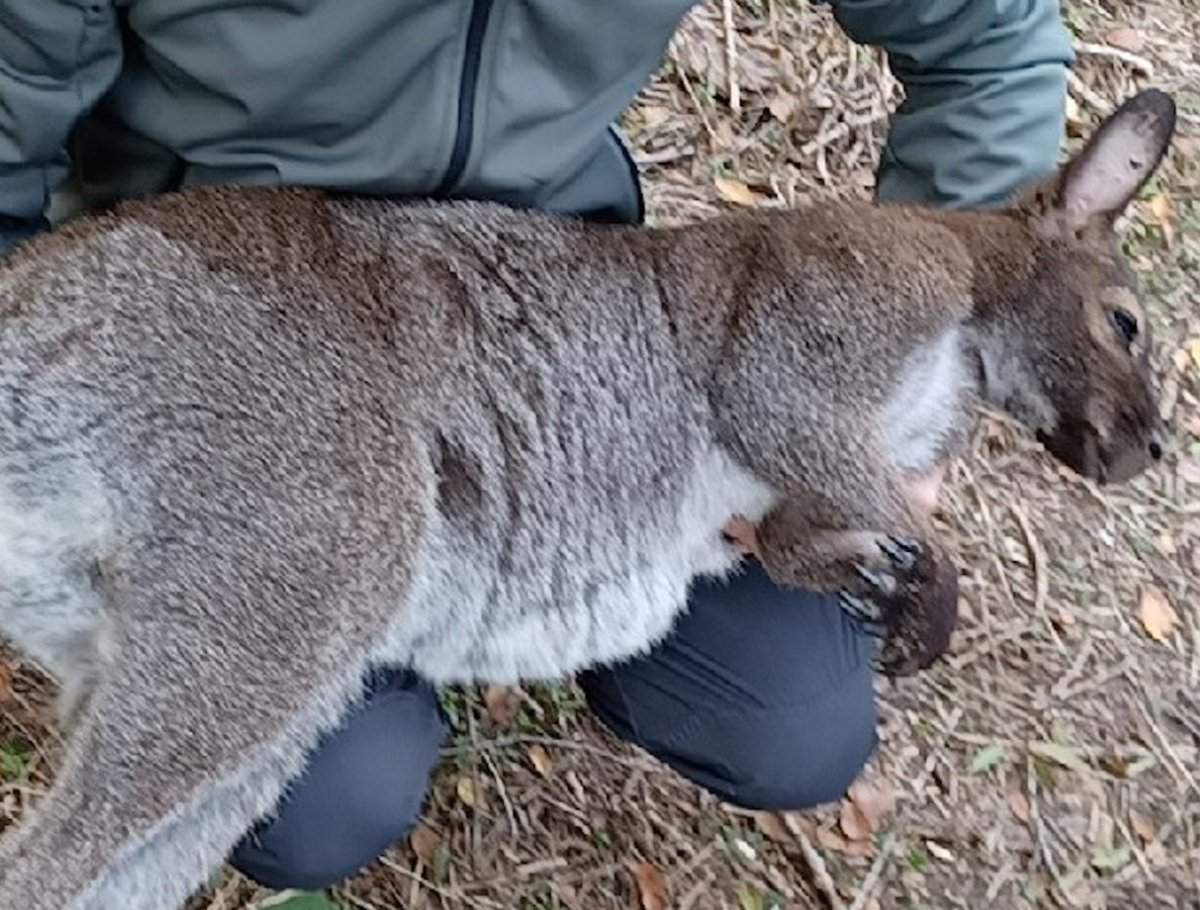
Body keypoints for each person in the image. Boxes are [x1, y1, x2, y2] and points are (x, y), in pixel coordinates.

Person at [0, 0, 1075, 891]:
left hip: (558, 315)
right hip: (240, 299)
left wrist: (907, 410)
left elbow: (989, 42)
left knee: (790, 717)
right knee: (316, 782)